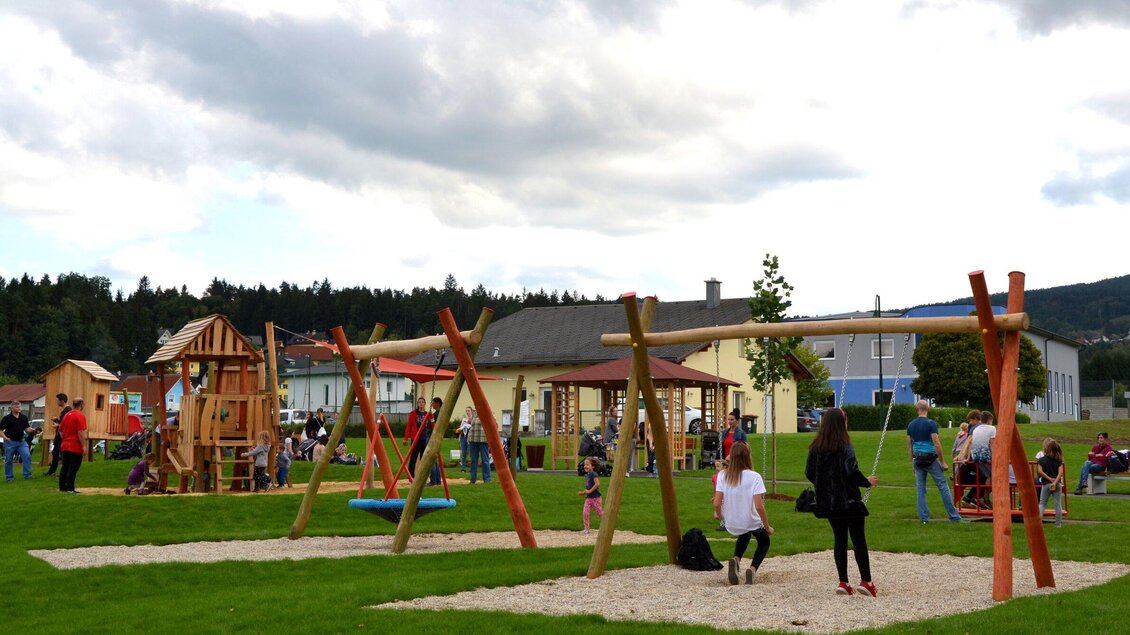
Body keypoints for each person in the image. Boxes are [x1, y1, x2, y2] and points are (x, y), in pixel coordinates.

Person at [805, 408, 879, 597]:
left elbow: (809, 471)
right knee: (858, 538)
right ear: (842, 423)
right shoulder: (845, 445)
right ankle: (866, 581)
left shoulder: (816, 447)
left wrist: (824, 485)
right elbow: (851, 470)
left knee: (840, 538)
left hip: (829, 502)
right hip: (849, 500)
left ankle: (843, 581)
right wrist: (867, 482)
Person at [713, 441, 773, 585]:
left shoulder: (722, 475)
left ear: (731, 457)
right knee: (764, 542)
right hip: (750, 521)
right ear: (748, 457)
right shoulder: (754, 477)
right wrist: (767, 526)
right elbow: (759, 507)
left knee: (744, 534)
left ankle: (737, 559)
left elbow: (716, 502)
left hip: (732, 522)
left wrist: (720, 516)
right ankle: (752, 570)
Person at [905, 400, 961, 523]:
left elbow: (909, 446)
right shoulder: (931, 424)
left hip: (918, 459)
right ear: (928, 409)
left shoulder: (911, 425)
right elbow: (936, 443)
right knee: (943, 486)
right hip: (930, 458)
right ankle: (954, 516)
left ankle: (924, 518)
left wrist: (912, 463)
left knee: (920, 489)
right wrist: (943, 462)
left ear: (917, 409)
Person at [58, 397, 88, 494]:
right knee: (73, 467)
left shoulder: (67, 415)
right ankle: (70, 487)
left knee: (65, 466)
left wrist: (65, 438)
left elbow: (60, 430)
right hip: (74, 446)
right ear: (81, 405)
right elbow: (80, 431)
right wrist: (84, 445)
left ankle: (62, 487)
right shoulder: (80, 416)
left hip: (65, 445)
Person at [968, 411, 997, 508]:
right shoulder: (992, 429)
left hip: (975, 456)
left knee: (989, 475)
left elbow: (972, 443)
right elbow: (992, 444)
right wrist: (995, 457)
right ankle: (985, 497)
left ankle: (983, 496)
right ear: (989, 420)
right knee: (994, 475)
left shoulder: (976, 429)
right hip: (985, 455)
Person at [1036, 438, 1065, 528]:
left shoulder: (1041, 460)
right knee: (1058, 504)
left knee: (1042, 503)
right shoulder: (1059, 460)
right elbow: (1060, 473)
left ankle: (1038, 524)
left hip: (1046, 484)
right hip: (1057, 484)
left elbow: (1040, 472)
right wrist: (1055, 482)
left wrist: (1049, 479)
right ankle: (1058, 524)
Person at [2, 401, 33, 482]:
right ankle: (9, 477)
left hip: (21, 442)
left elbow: (27, 428)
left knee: (27, 457)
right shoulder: (6, 418)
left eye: (19, 407)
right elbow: (0, 430)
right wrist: (5, 437)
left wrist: (33, 430)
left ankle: (27, 475)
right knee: (9, 460)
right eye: (17, 407)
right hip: (10, 442)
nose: (19, 408)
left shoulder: (23, 417)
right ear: (12, 408)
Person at [45, 393, 71, 477]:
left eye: (57, 400)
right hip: (58, 436)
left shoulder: (68, 410)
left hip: (63, 436)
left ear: (62, 401)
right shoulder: (63, 411)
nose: (56, 402)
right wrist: (57, 420)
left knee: (63, 455)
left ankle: (65, 473)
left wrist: (58, 425)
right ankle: (51, 471)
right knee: (55, 453)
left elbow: (67, 424)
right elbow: (62, 422)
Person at [404, 398, 429, 477]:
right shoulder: (413, 413)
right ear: (417, 404)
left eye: (422, 402)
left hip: (424, 438)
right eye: (419, 402)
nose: (421, 404)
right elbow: (409, 426)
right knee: (413, 458)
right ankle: (411, 476)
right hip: (415, 438)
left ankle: (423, 476)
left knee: (424, 459)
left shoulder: (427, 414)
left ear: (425, 403)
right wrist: (406, 438)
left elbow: (432, 425)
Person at [578, 457, 603, 534]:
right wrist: (583, 492)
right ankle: (586, 529)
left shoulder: (593, 474)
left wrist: (589, 491)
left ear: (593, 466)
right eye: (585, 464)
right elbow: (588, 488)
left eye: (588, 464)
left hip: (596, 498)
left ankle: (609, 522)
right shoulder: (588, 475)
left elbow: (597, 484)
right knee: (585, 513)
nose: (585, 466)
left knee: (600, 513)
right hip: (588, 498)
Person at [466, 407, 490, 484]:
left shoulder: (487, 412)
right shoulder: (474, 413)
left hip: (483, 440)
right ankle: (473, 479)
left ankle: (487, 479)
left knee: (485, 460)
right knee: (473, 460)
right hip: (473, 439)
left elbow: (492, 423)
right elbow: (471, 423)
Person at [426, 397, 443, 485]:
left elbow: (434, 425)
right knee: (435, 459)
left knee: (431, 458)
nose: (432, 405)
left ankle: (434, 480)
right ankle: (437, 480)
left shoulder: (438, 414)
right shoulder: (438, 413)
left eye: (433, 403)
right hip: (434, 436)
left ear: (437, 403)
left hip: (432, 436)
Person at [459, 407, 473, 471]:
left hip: (470, 438)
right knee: (463, 453)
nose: (467, 412)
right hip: (463, 437)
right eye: (466, 411)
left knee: (471, 453)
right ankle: (463, 468)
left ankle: (472, 468)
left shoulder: (473, 419)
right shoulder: (464, 419)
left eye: (468, 411)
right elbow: (460, 428)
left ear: (471, 411)